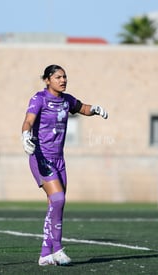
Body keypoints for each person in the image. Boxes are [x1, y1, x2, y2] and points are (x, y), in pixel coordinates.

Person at [21, 64, 108, 266]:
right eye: (58, 77)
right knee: (58, 199)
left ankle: (45, 254)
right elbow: (28, 120)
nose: (63, 80)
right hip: (42, 158)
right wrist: (25, 134)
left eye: (65, 77)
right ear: (47, 80)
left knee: (55, 204)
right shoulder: (39, 98)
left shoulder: (66, 100)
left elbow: (82, 108)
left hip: (60, 159)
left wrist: (94, 109)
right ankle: (58, 249)